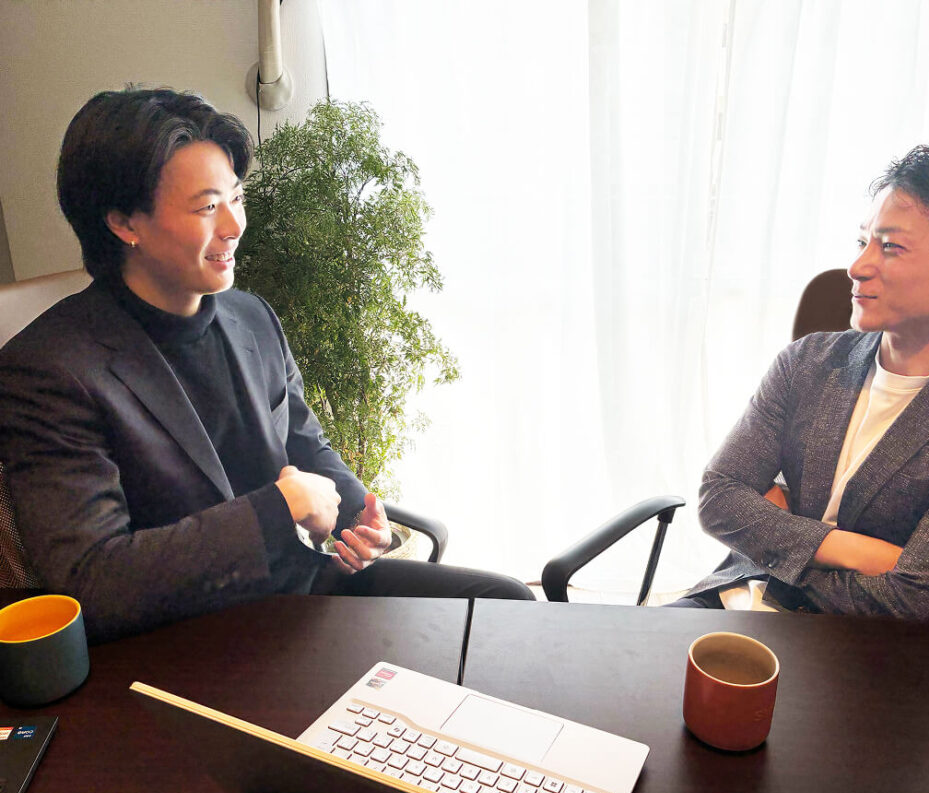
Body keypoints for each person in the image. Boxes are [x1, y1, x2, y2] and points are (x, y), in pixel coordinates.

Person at [0, 87, 532, 643]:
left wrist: (359, 517)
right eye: (207, 207)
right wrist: (278, 511)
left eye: (237, 197)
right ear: (124, 223)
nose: (234, 225)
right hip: (194, 635)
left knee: (507, 605)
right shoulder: (50, 370)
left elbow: (305, 445)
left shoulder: (250, 317)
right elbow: (95, 583)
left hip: (307, 589)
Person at [671, 144, 929, 620]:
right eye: (862, 242)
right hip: (736, 597)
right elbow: (720, 497)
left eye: (891, 247)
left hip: (872, 645)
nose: (857, 268)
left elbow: (925, 599)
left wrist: (779, 529)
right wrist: (863, 552)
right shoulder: (810, 361)